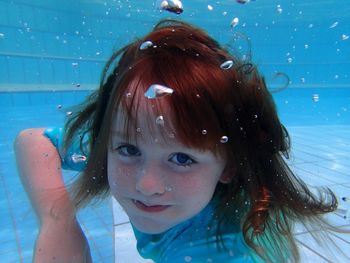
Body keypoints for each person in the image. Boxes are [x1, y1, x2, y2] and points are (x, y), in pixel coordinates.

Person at [14, 19, 344, 263]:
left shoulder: (222, 252)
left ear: (229, 165)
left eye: (182, 159)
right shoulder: (135, 142)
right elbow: (33, 141)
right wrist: (58, 220)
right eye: (128, 150)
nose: (147, 184)